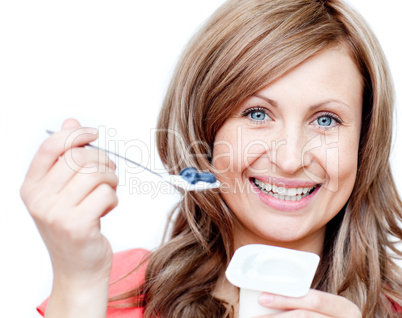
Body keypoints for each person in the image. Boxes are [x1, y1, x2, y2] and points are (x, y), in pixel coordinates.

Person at [21, 0, 402, 317]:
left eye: (325, 120)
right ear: (206, 130)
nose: (289, 159)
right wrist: (79, 285)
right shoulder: (110, 289)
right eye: (257, 114)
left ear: (365, 142)